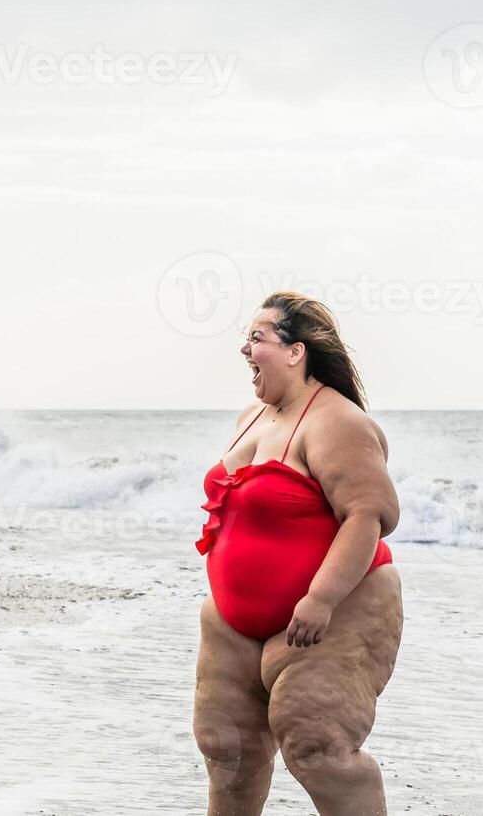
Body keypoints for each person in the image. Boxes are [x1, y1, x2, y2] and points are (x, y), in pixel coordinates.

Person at [192, 291, 403, 816]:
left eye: (257, 338)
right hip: (234, 622)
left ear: (296, 351)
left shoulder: (338, 421)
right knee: (227, 750)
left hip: (330, 612)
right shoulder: (252, 416)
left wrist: (320, 598)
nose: (244, 350)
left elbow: (368, 516)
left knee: (318, 747)